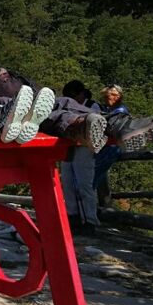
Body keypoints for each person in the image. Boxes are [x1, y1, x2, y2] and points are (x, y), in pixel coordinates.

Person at [60, 80, 101, 234]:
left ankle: (90, 220)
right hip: (69, 147)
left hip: (85, 148)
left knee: (84, 185)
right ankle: (73, 215)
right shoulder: (68, 107)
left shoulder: (93, 107)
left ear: (80, 94)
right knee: (68, 182)